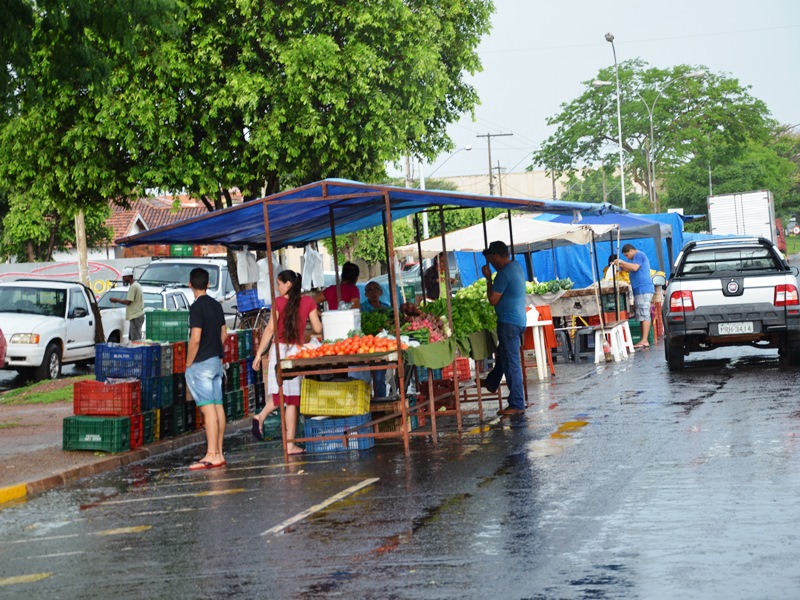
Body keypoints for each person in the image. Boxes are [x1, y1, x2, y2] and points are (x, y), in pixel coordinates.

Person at [252, 270, 322, 454]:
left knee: (283, 395)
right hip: (295, 353)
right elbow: (317, 328)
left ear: (288, 284)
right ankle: (286, 440)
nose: (277, 287)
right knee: (291, 400)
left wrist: (259, 354)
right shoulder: (308, 302)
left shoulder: (279, 303)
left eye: (279, 283)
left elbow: (269, 331)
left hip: (278, 351)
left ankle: (264, 420)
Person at [185, 268, 228, 470]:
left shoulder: (196, 308)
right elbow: (224, 334)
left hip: (201, 364)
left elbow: (195, 339)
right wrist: (215, 349)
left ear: (190, 284)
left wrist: (188, 363)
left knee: (208, 410)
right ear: (209, 284)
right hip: (216, 362)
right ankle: (219, 452)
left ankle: (211, 454)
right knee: (218, 406)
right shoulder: (216, 305)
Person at [479, 241, 527, 416]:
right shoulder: (516, 266)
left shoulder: (503, 274)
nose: (490, 263)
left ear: (497, 256)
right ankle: (492, 383)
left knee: (511, 363)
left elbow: (493, 300)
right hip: (519, 321)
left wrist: (488, 279)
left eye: (491, 259)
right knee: (504, 356)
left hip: (509, 323)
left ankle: (517, 403)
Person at [615, 243, 655, 349]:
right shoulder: (635, 258)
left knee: (644, 313)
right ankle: (643, 339)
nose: (627, 258)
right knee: (641, 315)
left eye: (627, 255)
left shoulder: (639, 255)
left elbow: (635, 268)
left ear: (631, 251)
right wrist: (622, 266)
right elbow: (630, 268)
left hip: (644, 289)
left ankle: (644, 340)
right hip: (639, 289)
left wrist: (621, 261)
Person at [361, 281, 391, 397]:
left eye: (376, 289)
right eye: (370, 290)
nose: (373, 292)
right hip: (364, 347)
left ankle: (381, 402)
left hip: (381, 347)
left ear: (381, 292)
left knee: (379, 377)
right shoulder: (362, 308)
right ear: (365, 294)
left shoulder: (387, 308)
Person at [110, 267, 145, 342]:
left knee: (136, 339)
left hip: (136, 315)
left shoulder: (133, 287)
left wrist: (116, 300)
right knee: (133, 338)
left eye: (124, 277)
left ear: (128, 277)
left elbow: (128, 301)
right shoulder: (136, 285)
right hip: (137, 315)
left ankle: (137, 352)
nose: (123, 279)